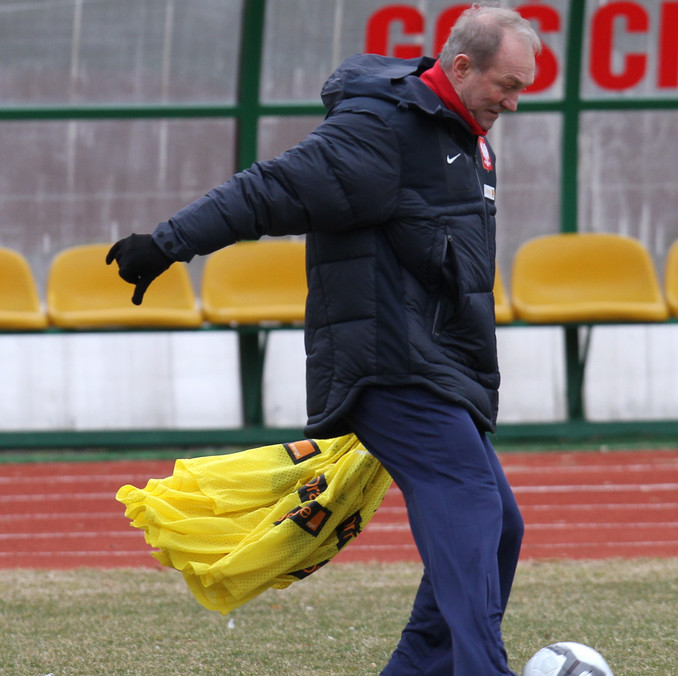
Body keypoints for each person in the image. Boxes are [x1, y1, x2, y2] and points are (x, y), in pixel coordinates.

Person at [105, 5, 540, 675]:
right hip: (389, 366)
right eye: (507, 85)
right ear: (460, 67)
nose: (514, 102)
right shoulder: (381, 130)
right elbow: (270, 189)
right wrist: (166, 244)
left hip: (439, 364)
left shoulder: (464, 130)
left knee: (498, 526)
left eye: (521, 87)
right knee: (473, 506)